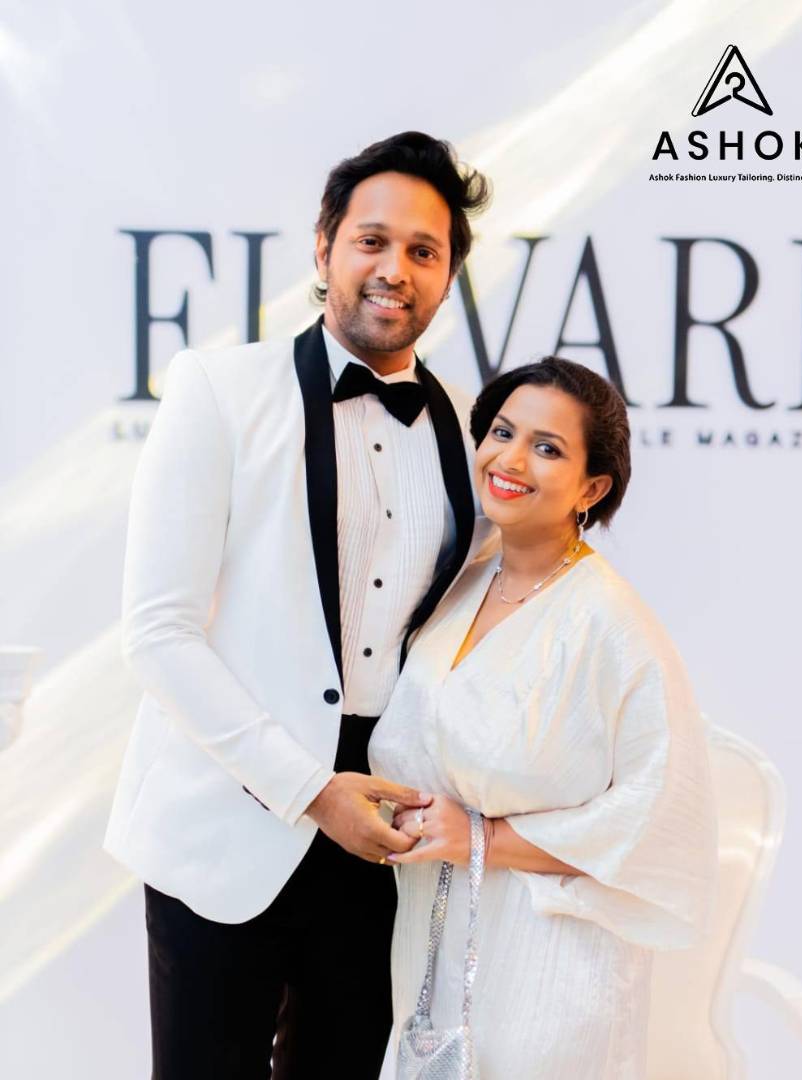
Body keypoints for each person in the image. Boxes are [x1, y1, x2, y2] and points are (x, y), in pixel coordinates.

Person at [104, 131, 492, 1079]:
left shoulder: (472, 427)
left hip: (387, 844)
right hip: (228, 818)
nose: (394, 269)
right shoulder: (218, 390)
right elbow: (158, 632)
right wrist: (311, 790)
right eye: (372, 240)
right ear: (324, 247)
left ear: (447, 277)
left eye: (424, 250)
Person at [369, 357, 718, 1079]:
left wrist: (484, 838)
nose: (511, 460)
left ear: (592, 488)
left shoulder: (609, 621)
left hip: (549, 970)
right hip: (433, 947)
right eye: (502, 433)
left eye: (548, 448)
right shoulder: (462, 584)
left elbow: (664, 816)